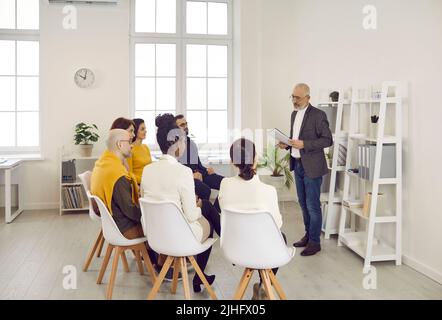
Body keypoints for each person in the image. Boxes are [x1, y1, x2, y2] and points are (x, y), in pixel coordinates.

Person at [140, 113, 221, 293]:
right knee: (206, 213)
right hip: (180, 237)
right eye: (184, 141)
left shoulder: (147, 170)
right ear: (177, 145)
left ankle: (199, 276)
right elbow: (191, 215)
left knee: (204, 208)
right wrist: (197, 207)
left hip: (155, 236)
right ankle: (200, 277)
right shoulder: (183, 172)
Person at [219, 138, 286, 300]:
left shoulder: (225, 184)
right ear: (256, 158)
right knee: (281, 237)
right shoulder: (268, 191)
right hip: (262, 250)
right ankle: (264, 286)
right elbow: (277, 225)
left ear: (232, 162)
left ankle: (262, 287)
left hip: (234, 248)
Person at [278, 83, 333, 256]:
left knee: (312, 205)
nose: (294, 100)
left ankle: (315, 242)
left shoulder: (318, 115)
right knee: (303, 204)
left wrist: (305, 144)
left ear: (308, 97)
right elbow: (295, 139)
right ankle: (309, 236)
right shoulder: (294, 114)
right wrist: (286, 144)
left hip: (313, 167)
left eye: (298, 97)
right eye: (292, 96)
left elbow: (327, 140)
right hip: (298, 164)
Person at [90, 129, 158, 264]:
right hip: (124, 229)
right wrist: (151, 217)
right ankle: (163, 266)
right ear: (120, 144)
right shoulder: (117, 175)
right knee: (162, 224)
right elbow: (130, 210)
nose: (132, 145)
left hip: (112, 224)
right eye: (129, 142)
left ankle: (155, 260)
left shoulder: (104, 163)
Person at [175, 115, 224, 211]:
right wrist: (192, 175)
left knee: (225, 184)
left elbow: (198, 165)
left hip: (200, 175)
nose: (185, 126)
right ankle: (205, 217)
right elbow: (177, 170)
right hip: (188, 178)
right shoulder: (174, 146)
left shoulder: (191, 143)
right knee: (205, 190)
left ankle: (214, 212)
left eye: (186, 124)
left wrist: (206, 170)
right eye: (182, 125)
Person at [128, 118, 152, 184]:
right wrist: (144, 180)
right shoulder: (129, 149)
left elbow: (150, 167)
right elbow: (129, 174)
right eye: (142, 129)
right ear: (135, 131)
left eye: (145, 129)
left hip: (149, 183)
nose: (145, 131)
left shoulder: (146, 147)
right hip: (138, 185)